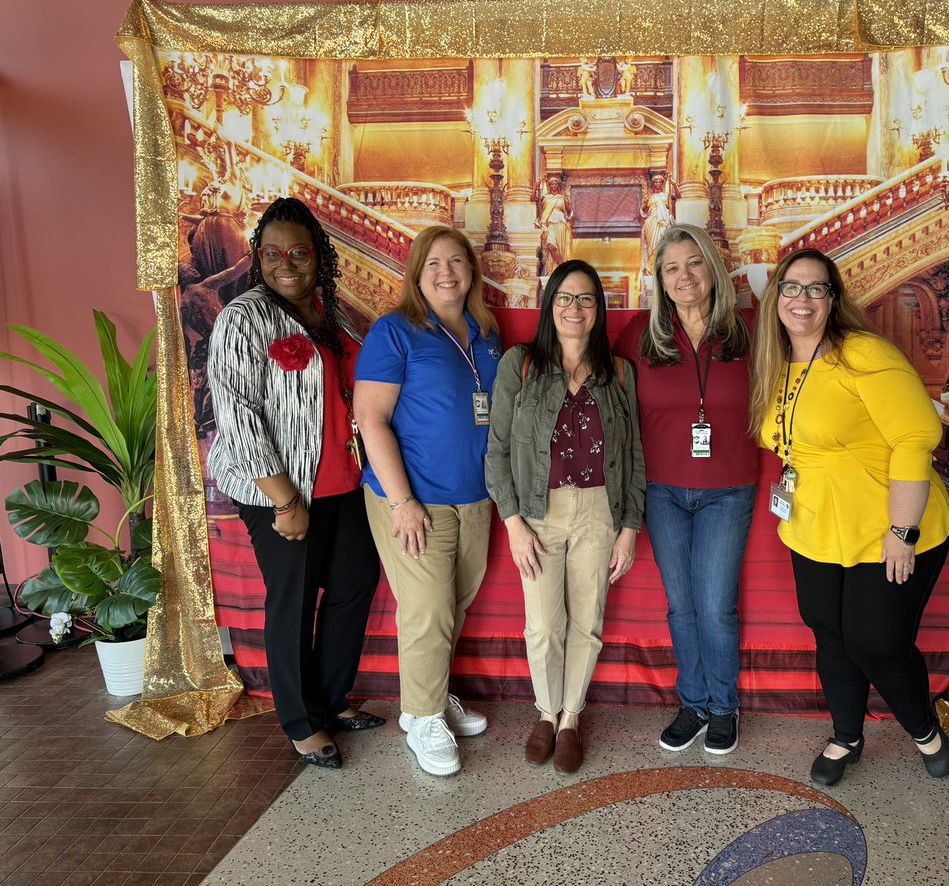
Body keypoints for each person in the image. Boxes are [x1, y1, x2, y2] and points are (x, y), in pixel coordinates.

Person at [748, 248, 949, 785]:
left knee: (877, 642)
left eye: (816, 288)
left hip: (891, 525)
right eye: (791, 287)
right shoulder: (776, 362)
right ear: (775, 297)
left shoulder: (862, 352)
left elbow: (916, 437)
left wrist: (902, 532)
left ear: (833, 299)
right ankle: (846, 736)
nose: (802, 299)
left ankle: (924, 730)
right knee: (830, 633)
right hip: (817, 526)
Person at [207, 197, 384, 770]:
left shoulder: (326, 317)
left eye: (300, 253)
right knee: (294, 597)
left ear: (318, 257)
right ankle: (300, 721)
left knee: (355, 583)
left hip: (341, 480)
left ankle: (328, 702)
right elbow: (238, 414)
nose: (288, 263)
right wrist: (284, 500)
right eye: (275, 253)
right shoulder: (244, 318)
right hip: (279, 490)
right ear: (258, 257)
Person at [486, 260, 645, 774]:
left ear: (598, 310)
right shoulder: (521, 364)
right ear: (549, 305)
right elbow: (498, 450)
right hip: (538, 513)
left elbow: (637, 454)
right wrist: (512, 523)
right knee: (542, 625)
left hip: (600, 509)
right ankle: (546, 714)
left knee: (588, 622)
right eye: (564, 298)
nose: (574, 309)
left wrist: (629, 529)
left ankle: (572, 717)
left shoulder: (619, 372)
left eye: (585, 299)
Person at [354, 225, 502, 777]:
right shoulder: (395, 332)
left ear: (472, 270)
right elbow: (371, 419)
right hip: (413, 499)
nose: (446, 272)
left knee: (455, 603)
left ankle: (434, 695)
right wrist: (402, 502)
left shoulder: (485, 334)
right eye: (433, 262)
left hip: (474, 500)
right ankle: (420, 717)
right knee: (428, 610)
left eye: (457, 261)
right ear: (417, 272)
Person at [614, 223, 756, 756]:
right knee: (681, 606)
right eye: (672, 267)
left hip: (727, 489)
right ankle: (692, 702)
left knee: (715, 605)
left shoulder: (748, 332)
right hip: (661, 490)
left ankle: (723, 706)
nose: (684, 276)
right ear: (660, 279)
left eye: (694, 263)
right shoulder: (639, 336)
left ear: (713, 269)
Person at [536, 175, 573, 277]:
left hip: (561, 224)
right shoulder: (545, 197)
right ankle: (563, 267)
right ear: (549, 186)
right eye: (552, 183)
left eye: (556, 183)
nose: (554, 185)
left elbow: (571, 211)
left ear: (559, 186)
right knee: (551, 245)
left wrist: (569, 217)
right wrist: (536, 186)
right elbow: (534, 199)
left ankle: (560, 268)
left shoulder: (562, 198)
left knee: (560, 247)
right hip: (548, 223)